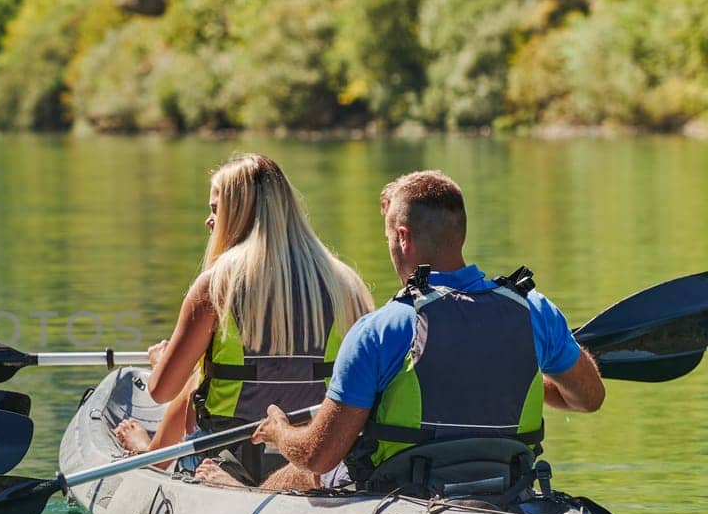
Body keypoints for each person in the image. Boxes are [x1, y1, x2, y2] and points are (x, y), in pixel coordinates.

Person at [251, 170, 605, 492]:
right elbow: (587, 399)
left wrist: (280, 432)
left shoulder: (380, 330)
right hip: (505, 484)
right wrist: (503, 373)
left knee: (300, 474)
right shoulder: (536, 312)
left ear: (403, 237)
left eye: (388, 237)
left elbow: (319, 456)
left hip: (406, 492)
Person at [112, 154, 374, 489]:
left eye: (215, 209)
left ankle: (152, 455)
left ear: (238, 212)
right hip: (316, 453)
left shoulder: (217, 285)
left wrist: (164, 362)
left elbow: (162, 391)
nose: (209, 221)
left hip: (231, 456)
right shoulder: (346, 285)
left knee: (198, 381)